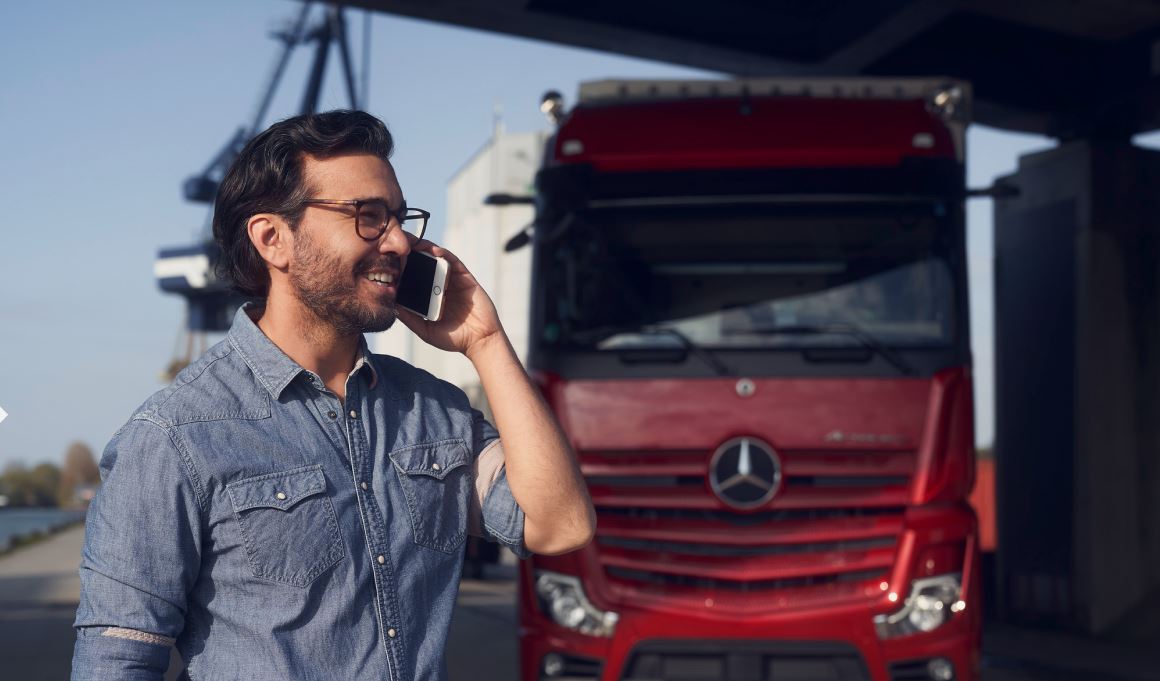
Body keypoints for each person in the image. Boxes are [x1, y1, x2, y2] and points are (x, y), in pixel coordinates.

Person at [71, 110, 596, 680]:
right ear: (273, 239)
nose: (398, 242)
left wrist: (487, 343)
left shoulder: (433, 413)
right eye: (367, 217)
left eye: (399, 217)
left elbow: (559, 525)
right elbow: (117, 663)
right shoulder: (175, 439)